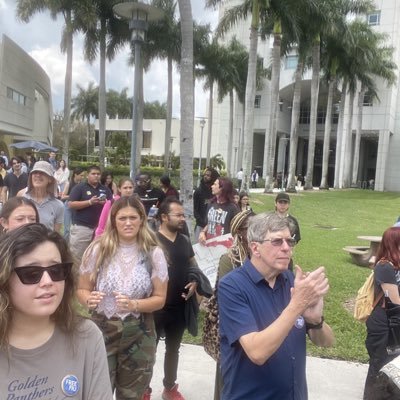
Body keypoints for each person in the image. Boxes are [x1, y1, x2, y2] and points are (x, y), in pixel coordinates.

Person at [218, 212, 335, 400]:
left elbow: (327, 342)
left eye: (290, 241)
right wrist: (297, 305)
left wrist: (316, 321)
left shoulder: (290, 281)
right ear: (255, 248)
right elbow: (257, 352)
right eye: (277, 242)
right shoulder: (232, 286)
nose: (287, 248)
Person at [0, 223, 113, 400]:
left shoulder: (86, 336)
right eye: (32, 273)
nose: (47, 281)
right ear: (5, 279)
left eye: (56, 270)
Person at [77, 195, 168, 400]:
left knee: (132, 395)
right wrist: (88, 299)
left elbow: (160, 298)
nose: (128, 223)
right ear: (113, 220)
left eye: (133, 218)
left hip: (138, 333)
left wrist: (134, 304)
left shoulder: (153, 253)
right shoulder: (98, 250)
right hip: (101, 331)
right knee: (97, 392)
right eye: (122, 218)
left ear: (142, 220)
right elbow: (82, 289)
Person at [146, 198, 212, 400]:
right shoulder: (152, 241)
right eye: (179, 215)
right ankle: (143, 390)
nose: (183, 219)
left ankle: (169, 387)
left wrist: (195, 282)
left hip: (180, 306)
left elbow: (193, 265)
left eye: (183, 215)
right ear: (164, 217)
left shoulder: (184, 240)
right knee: (149, 351)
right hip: (156, 307)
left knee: (173, 349)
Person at [214, 210, 253, 400]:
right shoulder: (228, 261)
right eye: (250, 229)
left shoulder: (269, 257)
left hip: (262, 334)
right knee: (229, 385)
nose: (256, 233)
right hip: (235, 334)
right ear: (239, 232)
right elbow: (228, 301)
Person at [364, 227, 400, 399]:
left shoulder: (396, 266)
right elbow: (395, 301)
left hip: (393, 321)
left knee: (392, 367)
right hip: (384, 323)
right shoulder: (385, 266)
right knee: (379, 366)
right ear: (394, 243)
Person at [68, 165, 112, 262]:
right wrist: (89, 202)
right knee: (77, 259)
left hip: (100, 230)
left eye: (98, 174)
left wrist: (106, 204)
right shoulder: (79, 188)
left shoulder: (105, 189)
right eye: (93, 174)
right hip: (82, 228)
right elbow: (71, 204)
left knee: (98, 259)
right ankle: (77, 277)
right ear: (88, 175)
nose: (96, 176)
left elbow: (112, 205)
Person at [18, 161, 64, 232]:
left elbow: (56, 235)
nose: (38, 175)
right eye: (35, 172)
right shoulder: (21, 196)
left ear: (50, 179)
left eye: (42, 173)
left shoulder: (58, 205)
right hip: (22, 242)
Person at [198, 177, 239, 244]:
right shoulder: (210, 204)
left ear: (222, 188)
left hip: (225, 246)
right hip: (210, 245)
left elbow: (237, 230)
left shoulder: (233, 208)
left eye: (215, 184)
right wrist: (203, 232)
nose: (212, 186)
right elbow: (210, 223)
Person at [193, 167, 220, 242]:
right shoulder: (198, 191)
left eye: (208, 175)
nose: (206, 176)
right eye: (205, 175)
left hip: (213, 227)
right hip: (200, 226)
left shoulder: (215, 192)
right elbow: (194, 209)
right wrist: (202, 222)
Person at [61, 167, 85, 242]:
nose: (82, 177)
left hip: (77, 208)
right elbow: (63, 196)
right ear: (75, 175)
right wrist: (72, 196)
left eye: (83, 176)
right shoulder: (69, 183)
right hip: (68, 206)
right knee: (67, 229)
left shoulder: (82, 185)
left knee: (75, 228)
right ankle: (65, 245)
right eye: (81, 175)